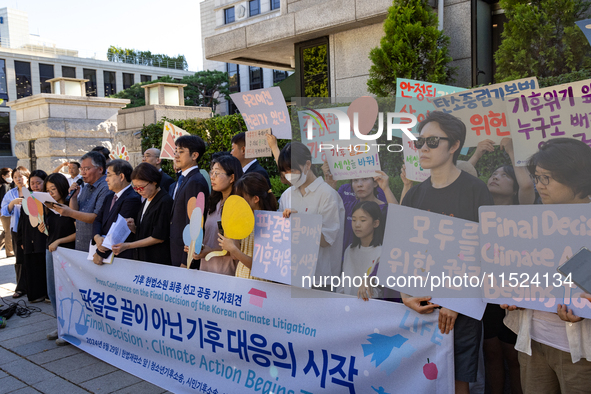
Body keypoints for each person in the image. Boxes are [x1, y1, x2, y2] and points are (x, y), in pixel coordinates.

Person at [400, 111, 494, 394]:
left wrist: (457, 302)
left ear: (454, 146)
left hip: (461, 308)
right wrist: (406, 296)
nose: (423, 148)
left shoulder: (476, 191)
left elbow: (486, 254)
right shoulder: (415, 195)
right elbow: (406, 250)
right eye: (419, 141)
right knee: (423, 380)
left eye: (432, 141)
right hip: (423, 303)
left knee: (457, 384)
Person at [501, 138, 591, 393]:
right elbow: (519, 275)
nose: (539, 185)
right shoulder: (528, 224)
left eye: (546, 178)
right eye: (537, 177)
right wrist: (511, 295)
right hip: (532, 342)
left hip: (582, 353)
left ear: (576, 178)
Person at [279, 142, 345, 288]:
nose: (288, 176)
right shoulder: (287, 195)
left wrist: (300, 222)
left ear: (308, 165)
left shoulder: (327, 195)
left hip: (319, 278)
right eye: (284, 172)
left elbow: (327, 240)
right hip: (291, 272)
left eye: (292, 170)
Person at [218, 172, 278, 280]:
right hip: (242, 279)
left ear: (255, 199)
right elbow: (235, 256)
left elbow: (261, 267)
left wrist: (233, 249)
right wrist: (230, 232)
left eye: (241, 197)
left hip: (259, 285)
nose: (238, 202)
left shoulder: (270, 224)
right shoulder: (244, 220)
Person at [111, 163, 173, 265]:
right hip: (143, 257)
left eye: (141, 187)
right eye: (135, 188)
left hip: (156, 259)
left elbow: (158, 237)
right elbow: (147, 231)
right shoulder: (147, 199)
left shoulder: (164, 201)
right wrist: (134, 228)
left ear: (154, 182)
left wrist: (128, 246)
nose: (139, 191)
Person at [192, 155, 243, 275]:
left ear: (232, 178)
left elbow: (239, 249)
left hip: (225, 271)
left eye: (217, 173)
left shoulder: (238, 206)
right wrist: (199, 247)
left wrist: (210, 251)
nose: (212, 177)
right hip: (206, 267)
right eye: (211, 172)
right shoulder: (213, 203)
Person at [41, 173, 76, 345]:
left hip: (68, 253)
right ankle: (60, 324)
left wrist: (59, 241)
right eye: (48, 190)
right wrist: (44, 229)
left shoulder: (71, 205)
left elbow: (79, 233)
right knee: (52, 290)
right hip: (51, 250)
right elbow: (52, 230)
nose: (51, 193)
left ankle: (70, 328)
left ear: (62, 187)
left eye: (53, 189)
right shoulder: (48, 206)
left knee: (68, 291)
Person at [54, 151, 110, 252]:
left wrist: (69, 212)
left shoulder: (105, 187)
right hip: (81, 244)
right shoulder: (86, 186)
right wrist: (74, 197)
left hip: (97, 247)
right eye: (81, 169)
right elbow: (76, 211)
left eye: (86, 169)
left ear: (100, 169)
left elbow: (96, 217)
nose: (82, 173)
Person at [169, 135, 210, 268]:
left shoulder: (195, 181)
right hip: (176, 251)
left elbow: (194, 224)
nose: (176, 155)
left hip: (185, 257)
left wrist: (185, 260)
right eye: (175, 151)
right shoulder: (185, 179)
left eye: (181, 152)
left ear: (195, 155)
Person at [92, 160, 141, 264]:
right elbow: (98, 219)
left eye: (109, 175)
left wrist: (100, 253)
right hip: (104, 248)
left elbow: (119, 228)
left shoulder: (132, 198)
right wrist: (97, 237)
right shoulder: (109, 196)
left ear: (121, 176)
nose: (106, 179)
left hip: (120, 255)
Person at [337, 201, 384, 299]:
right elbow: (342, 283)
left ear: (376, 223)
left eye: (363, 220)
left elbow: (379, 291)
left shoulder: (381, 252)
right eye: (354, 220)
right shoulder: (350, 250)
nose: (357, 225)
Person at [18, 170, 48, 303]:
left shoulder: (47, 198)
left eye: (38, 183)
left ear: (45, 183)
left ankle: (46, 293)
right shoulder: (26, 198)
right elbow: (21, 222)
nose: (35, 186)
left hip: (42, 238)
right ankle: (35, 295)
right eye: (32, 183)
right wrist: (21, 240)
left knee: (42, 265)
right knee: (31, 267)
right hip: (28, 238)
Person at [1, 166, 30, 297]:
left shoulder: (33, 190)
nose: (18, 179)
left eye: (20, 176)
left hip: (33, 229)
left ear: (27, 177)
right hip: (17, 229)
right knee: (20, 259)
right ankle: (20, 287)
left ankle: (35, 286)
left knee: (34, 258)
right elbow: (4, 211)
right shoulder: (11, 193)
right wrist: (12, 203)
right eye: (15, 177)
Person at [0, 167, 14, 257]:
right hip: (5, 211)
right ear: (3, 176)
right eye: (8, 175)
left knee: (6, 231)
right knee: (9, 231)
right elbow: (3, 200)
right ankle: (10, 251)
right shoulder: (4, 186)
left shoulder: (8, 184)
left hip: (5, 211)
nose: (11, 177)